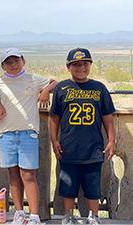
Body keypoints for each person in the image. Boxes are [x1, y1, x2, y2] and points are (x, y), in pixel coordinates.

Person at [50, 47, 115, 225]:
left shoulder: (99, 88)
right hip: (68, 147)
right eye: (76, 64)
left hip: (94, 148)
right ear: (68, 67)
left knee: (93, 187)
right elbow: (54, 116)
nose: (81, 68)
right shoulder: (62, 87)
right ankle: (69, 216)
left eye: (85, 64)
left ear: (90, 65)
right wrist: (54, 140)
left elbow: (107, 116)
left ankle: (93, 217)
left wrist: (111, 140)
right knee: (68, 185)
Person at [0, 48, 57, 225]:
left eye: (16, 60)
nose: (13, 65)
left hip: (28, 134)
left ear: (23, 61)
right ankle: (19, 212)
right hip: (6, 134)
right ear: (2, 66)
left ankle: (34, 215)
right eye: (8, 62)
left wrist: (44, 92)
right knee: (13, 175)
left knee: (28, 175)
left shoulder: (34, 79)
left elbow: (54, 83)